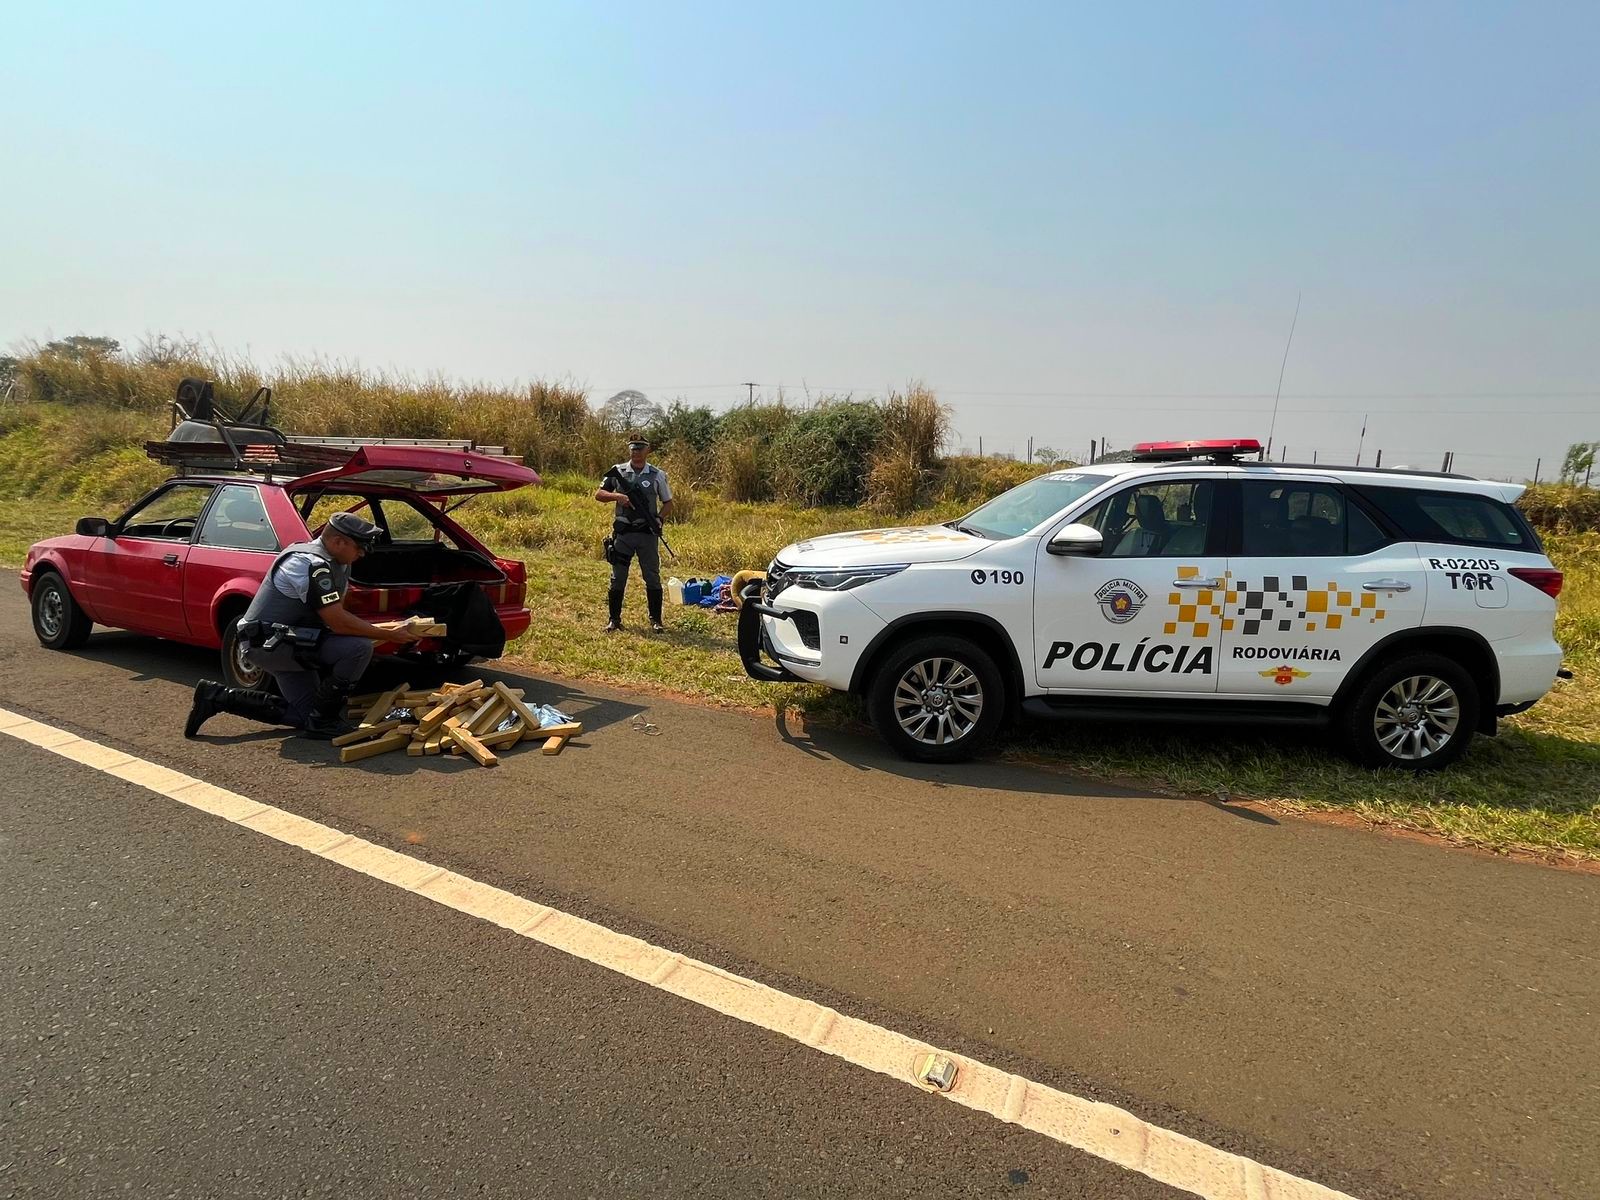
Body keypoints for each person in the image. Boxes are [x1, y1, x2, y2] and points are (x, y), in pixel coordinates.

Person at [184, 511, 423, 739]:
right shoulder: (308, 564)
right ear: (339, 541)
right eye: (359, 548)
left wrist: (388, 628)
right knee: (358, 648)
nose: (362, 554)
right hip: (269, 645)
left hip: (292, 641)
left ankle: (217, 697)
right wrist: (389, 634)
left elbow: (337, 613)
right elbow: (338, 622)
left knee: (303, 715)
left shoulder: (337, 561)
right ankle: (324, 722)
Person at [594, 433, 673, 633]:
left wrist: (659, 518)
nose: (636, 451)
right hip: (624, 534)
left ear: (648, 450)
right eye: (633, 448)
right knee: (618, 577)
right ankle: (614, 619)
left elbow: (668, 503)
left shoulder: (657, 474)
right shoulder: (618, 471)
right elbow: (599, 494)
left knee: (652, 577)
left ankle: (656, 619)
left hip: (647, 534)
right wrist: (618, 496)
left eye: (640, 448)